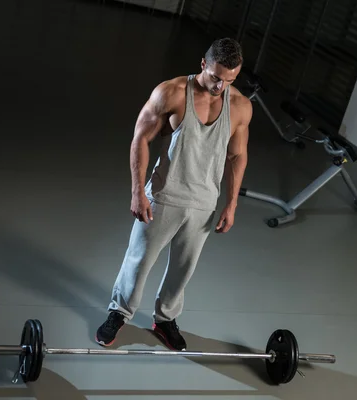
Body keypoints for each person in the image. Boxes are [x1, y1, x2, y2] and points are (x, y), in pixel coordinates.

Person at [95, 38, 253, 351]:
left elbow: (237, 155)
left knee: (183, 269)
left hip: (204, 203)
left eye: (230, 80)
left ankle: (165, 319)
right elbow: (141, 138)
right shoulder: (171, 92)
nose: (221, 86)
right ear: (203, 64)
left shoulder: (240, 106)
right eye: (216, 77)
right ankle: (119, 312)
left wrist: (231, 204)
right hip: (164, 195)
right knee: (138, 261)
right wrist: (138, 192)